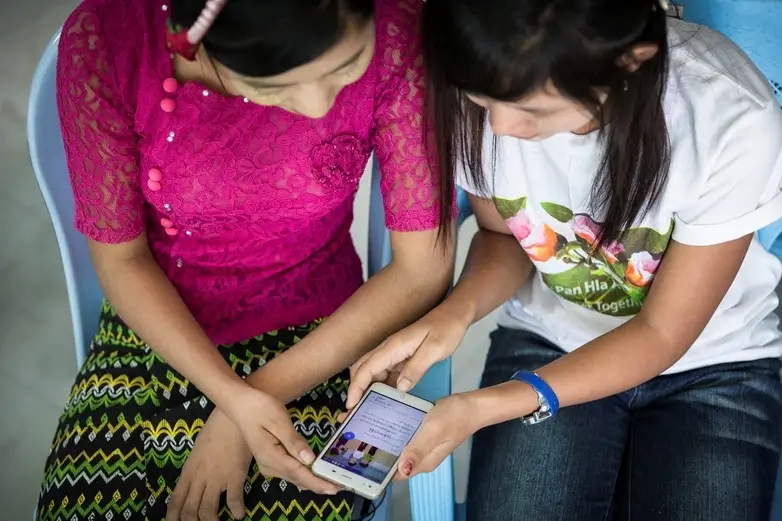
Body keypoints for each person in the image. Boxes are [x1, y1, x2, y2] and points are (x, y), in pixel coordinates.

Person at [347, 0, 782, 519]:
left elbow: (663, 333)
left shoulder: (728, 117)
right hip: (549, 339)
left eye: (534, 109)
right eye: (483, 101)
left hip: (717, 361)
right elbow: (504, 237)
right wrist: (454, 313)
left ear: (628, 62)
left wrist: (483, 406)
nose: (503, 128)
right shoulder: (472, 81)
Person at [36, 0, 454, 520]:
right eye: (275, 88)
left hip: (324, 335)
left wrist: (246, 406)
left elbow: (423, 267)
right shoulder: (107, 40)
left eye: (346, 69)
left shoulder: (399, 29)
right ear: (201, 42)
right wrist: (230, 396)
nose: (321, 107)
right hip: (160, 329)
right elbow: (122, 260)